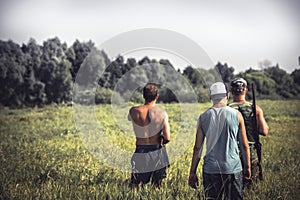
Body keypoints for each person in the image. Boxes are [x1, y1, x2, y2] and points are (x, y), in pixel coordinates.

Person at [188, 82, 251, 200]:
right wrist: (247, 167)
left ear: (211, 97)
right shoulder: (237, 115)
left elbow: (198, 148)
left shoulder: (203, 117)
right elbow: (244, 145)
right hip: (232, 169)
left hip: (210, 170)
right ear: (227, 96)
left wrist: (192, 172)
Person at [128, 84, 171, 188]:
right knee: (157, 186)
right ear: (157, 96)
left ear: (143, 96)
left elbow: (129, 118)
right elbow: (167, 138)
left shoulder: (133, 111)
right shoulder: (162, 114)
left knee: (136, 186)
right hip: (156, 151)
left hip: (140, 150)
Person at [229, 78, 269, 185]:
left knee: (232, 186)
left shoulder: (227, 109)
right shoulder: (255, 108)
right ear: (246, 91)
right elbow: (264, 131)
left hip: (231, 151)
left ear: (232, 92)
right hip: (251, 150)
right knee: (251, 185)